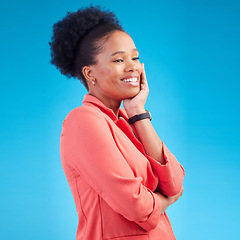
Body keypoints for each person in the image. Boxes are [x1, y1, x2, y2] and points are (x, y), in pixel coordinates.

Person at [50, 6, 185, 240]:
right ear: (90, 73)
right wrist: (163, 201)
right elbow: (136, 206)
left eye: (135, 57)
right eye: (119, 60)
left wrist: (138, 113)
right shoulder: (83, 121)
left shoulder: (125, 122)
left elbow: (174, 183)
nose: (132, 66)